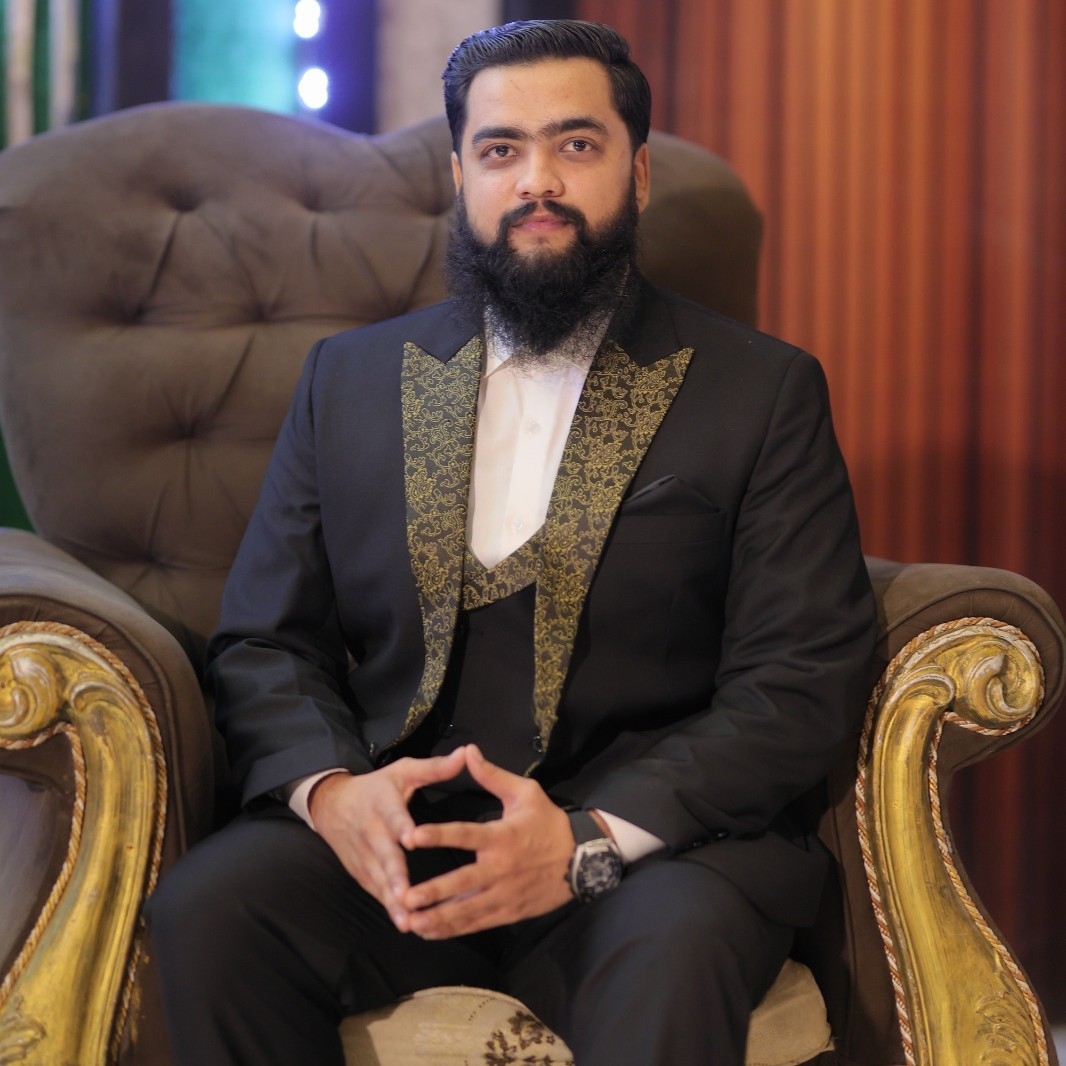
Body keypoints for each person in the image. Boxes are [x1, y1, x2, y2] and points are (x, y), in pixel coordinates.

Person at [148, 19, 876, 1066]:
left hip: (649, 858)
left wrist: (585, 844)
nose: (537, 180)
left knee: (674, 955)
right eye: (501, 150)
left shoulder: (762, 390)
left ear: (638, 172)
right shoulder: (348, 380)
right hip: (404, 846)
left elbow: (798, 676)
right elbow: (267, 639)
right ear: (461, 177)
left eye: (575, 144)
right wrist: (335, 794)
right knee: (211, 909)